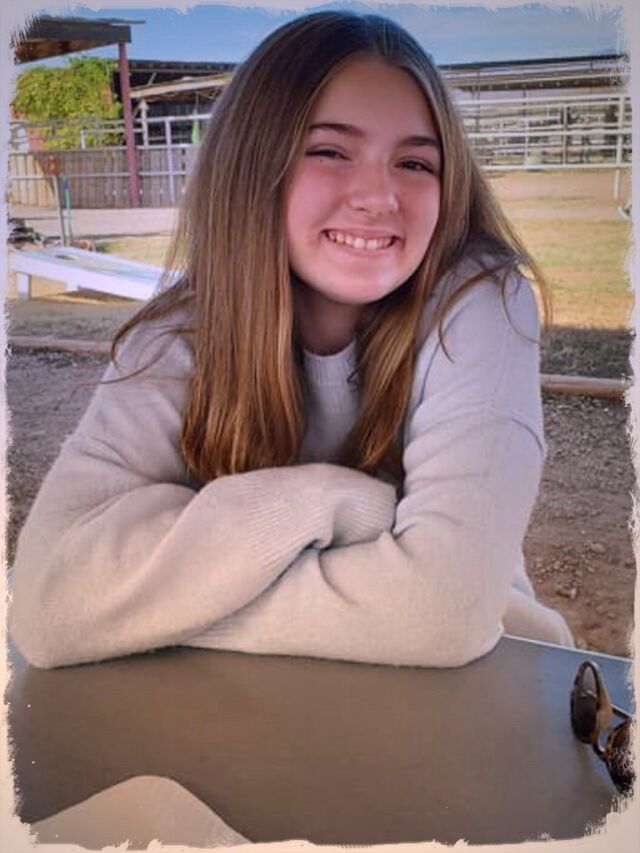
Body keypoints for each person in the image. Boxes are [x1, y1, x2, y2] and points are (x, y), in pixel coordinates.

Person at [9, 12, 573, 669]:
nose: (379, 197)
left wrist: (150, 601)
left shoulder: (479, 301)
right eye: (330, 151)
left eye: (415, 162)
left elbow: (441, 613)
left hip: (477, 695)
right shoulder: (177, 334)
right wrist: (337, 505)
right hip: (245, 703)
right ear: (252, 166)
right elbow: (50, 602)